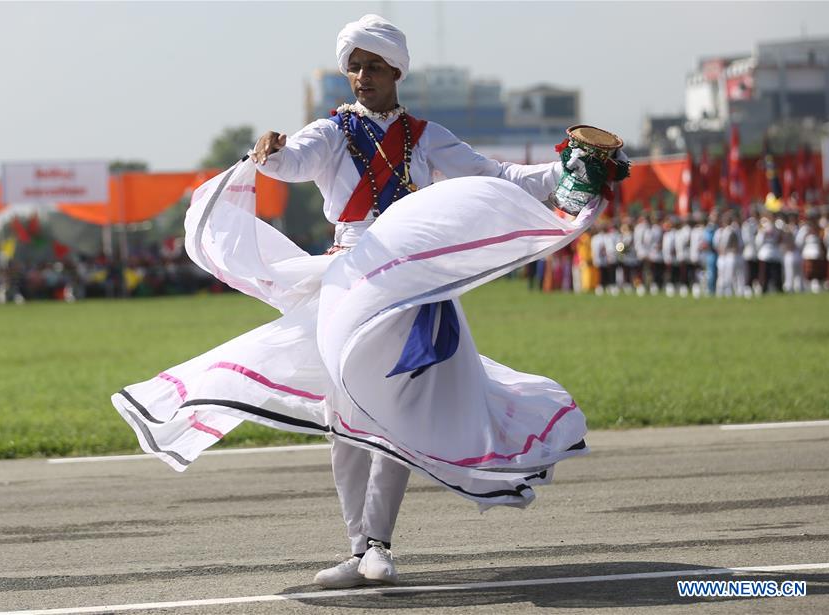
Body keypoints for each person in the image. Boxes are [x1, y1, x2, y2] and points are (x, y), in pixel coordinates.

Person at [112, 13, 625, 593]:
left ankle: (378, 546)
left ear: (396, 71)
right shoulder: (332, 132)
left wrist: (564, 171)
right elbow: (294, 161)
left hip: (413, 285)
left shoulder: (426, 136)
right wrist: (272, 154)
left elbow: (497, 175)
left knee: (395, 414)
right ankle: (359, 549)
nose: (362, 76)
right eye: (354, 66)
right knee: (345, 419)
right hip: (349, 280)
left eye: (373, 66)